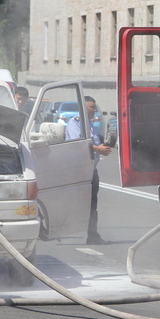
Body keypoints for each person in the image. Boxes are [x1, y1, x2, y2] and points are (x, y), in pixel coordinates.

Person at [64, 96, 112, 245]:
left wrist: (103, 146)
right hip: (79, 170)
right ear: (83, 107)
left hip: (91, 169)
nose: (95, 110)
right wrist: (98, 148)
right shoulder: (75, 123)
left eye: (94, 107)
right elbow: (76, 144)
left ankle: (93, 235)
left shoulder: (89, 124)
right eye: (92, 107)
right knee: (77, 203)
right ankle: (58, 229)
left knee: (92, 204)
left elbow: (94, 142)